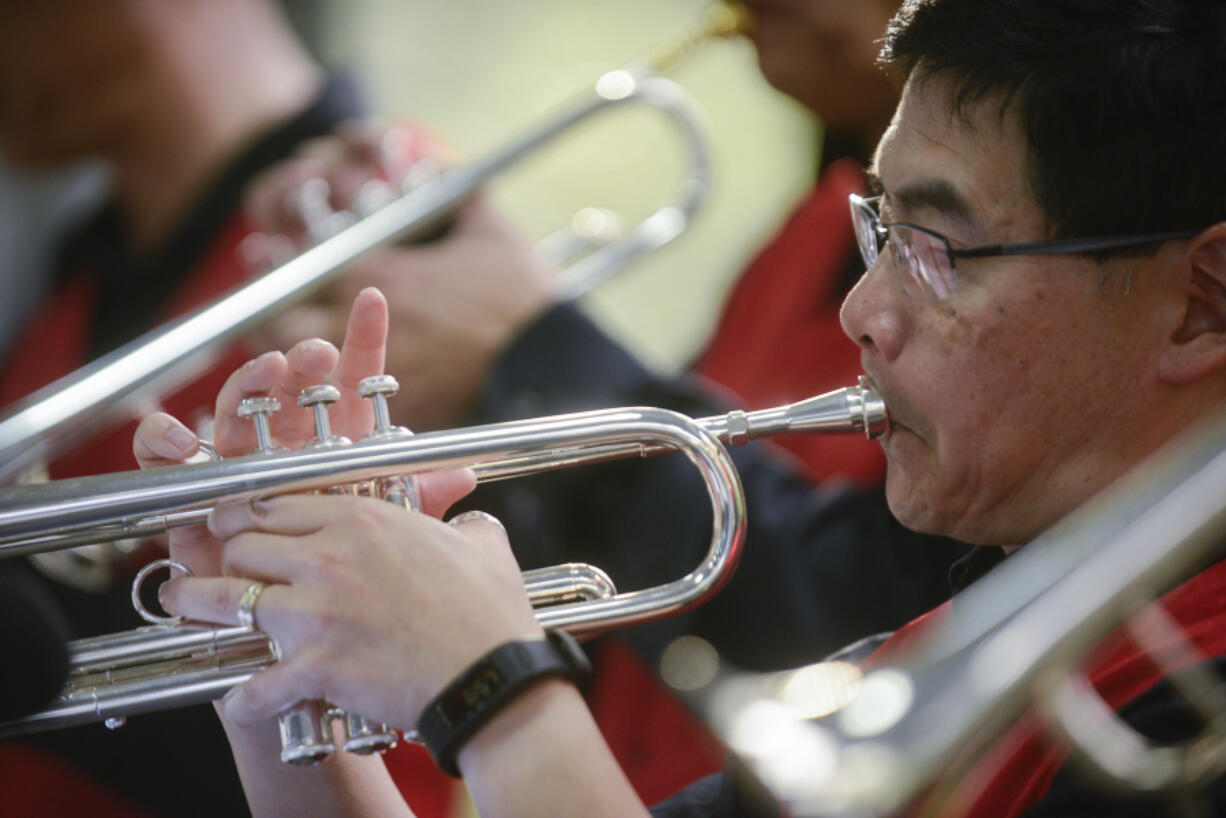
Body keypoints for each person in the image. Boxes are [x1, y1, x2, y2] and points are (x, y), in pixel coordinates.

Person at [136, 0, 1226, 814]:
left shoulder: (1187, 714)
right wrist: (294, 688)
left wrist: (491, 682)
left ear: (1198, 306)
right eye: (878, 231)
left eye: (935, 251)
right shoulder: (976, 635)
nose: (861, 309)